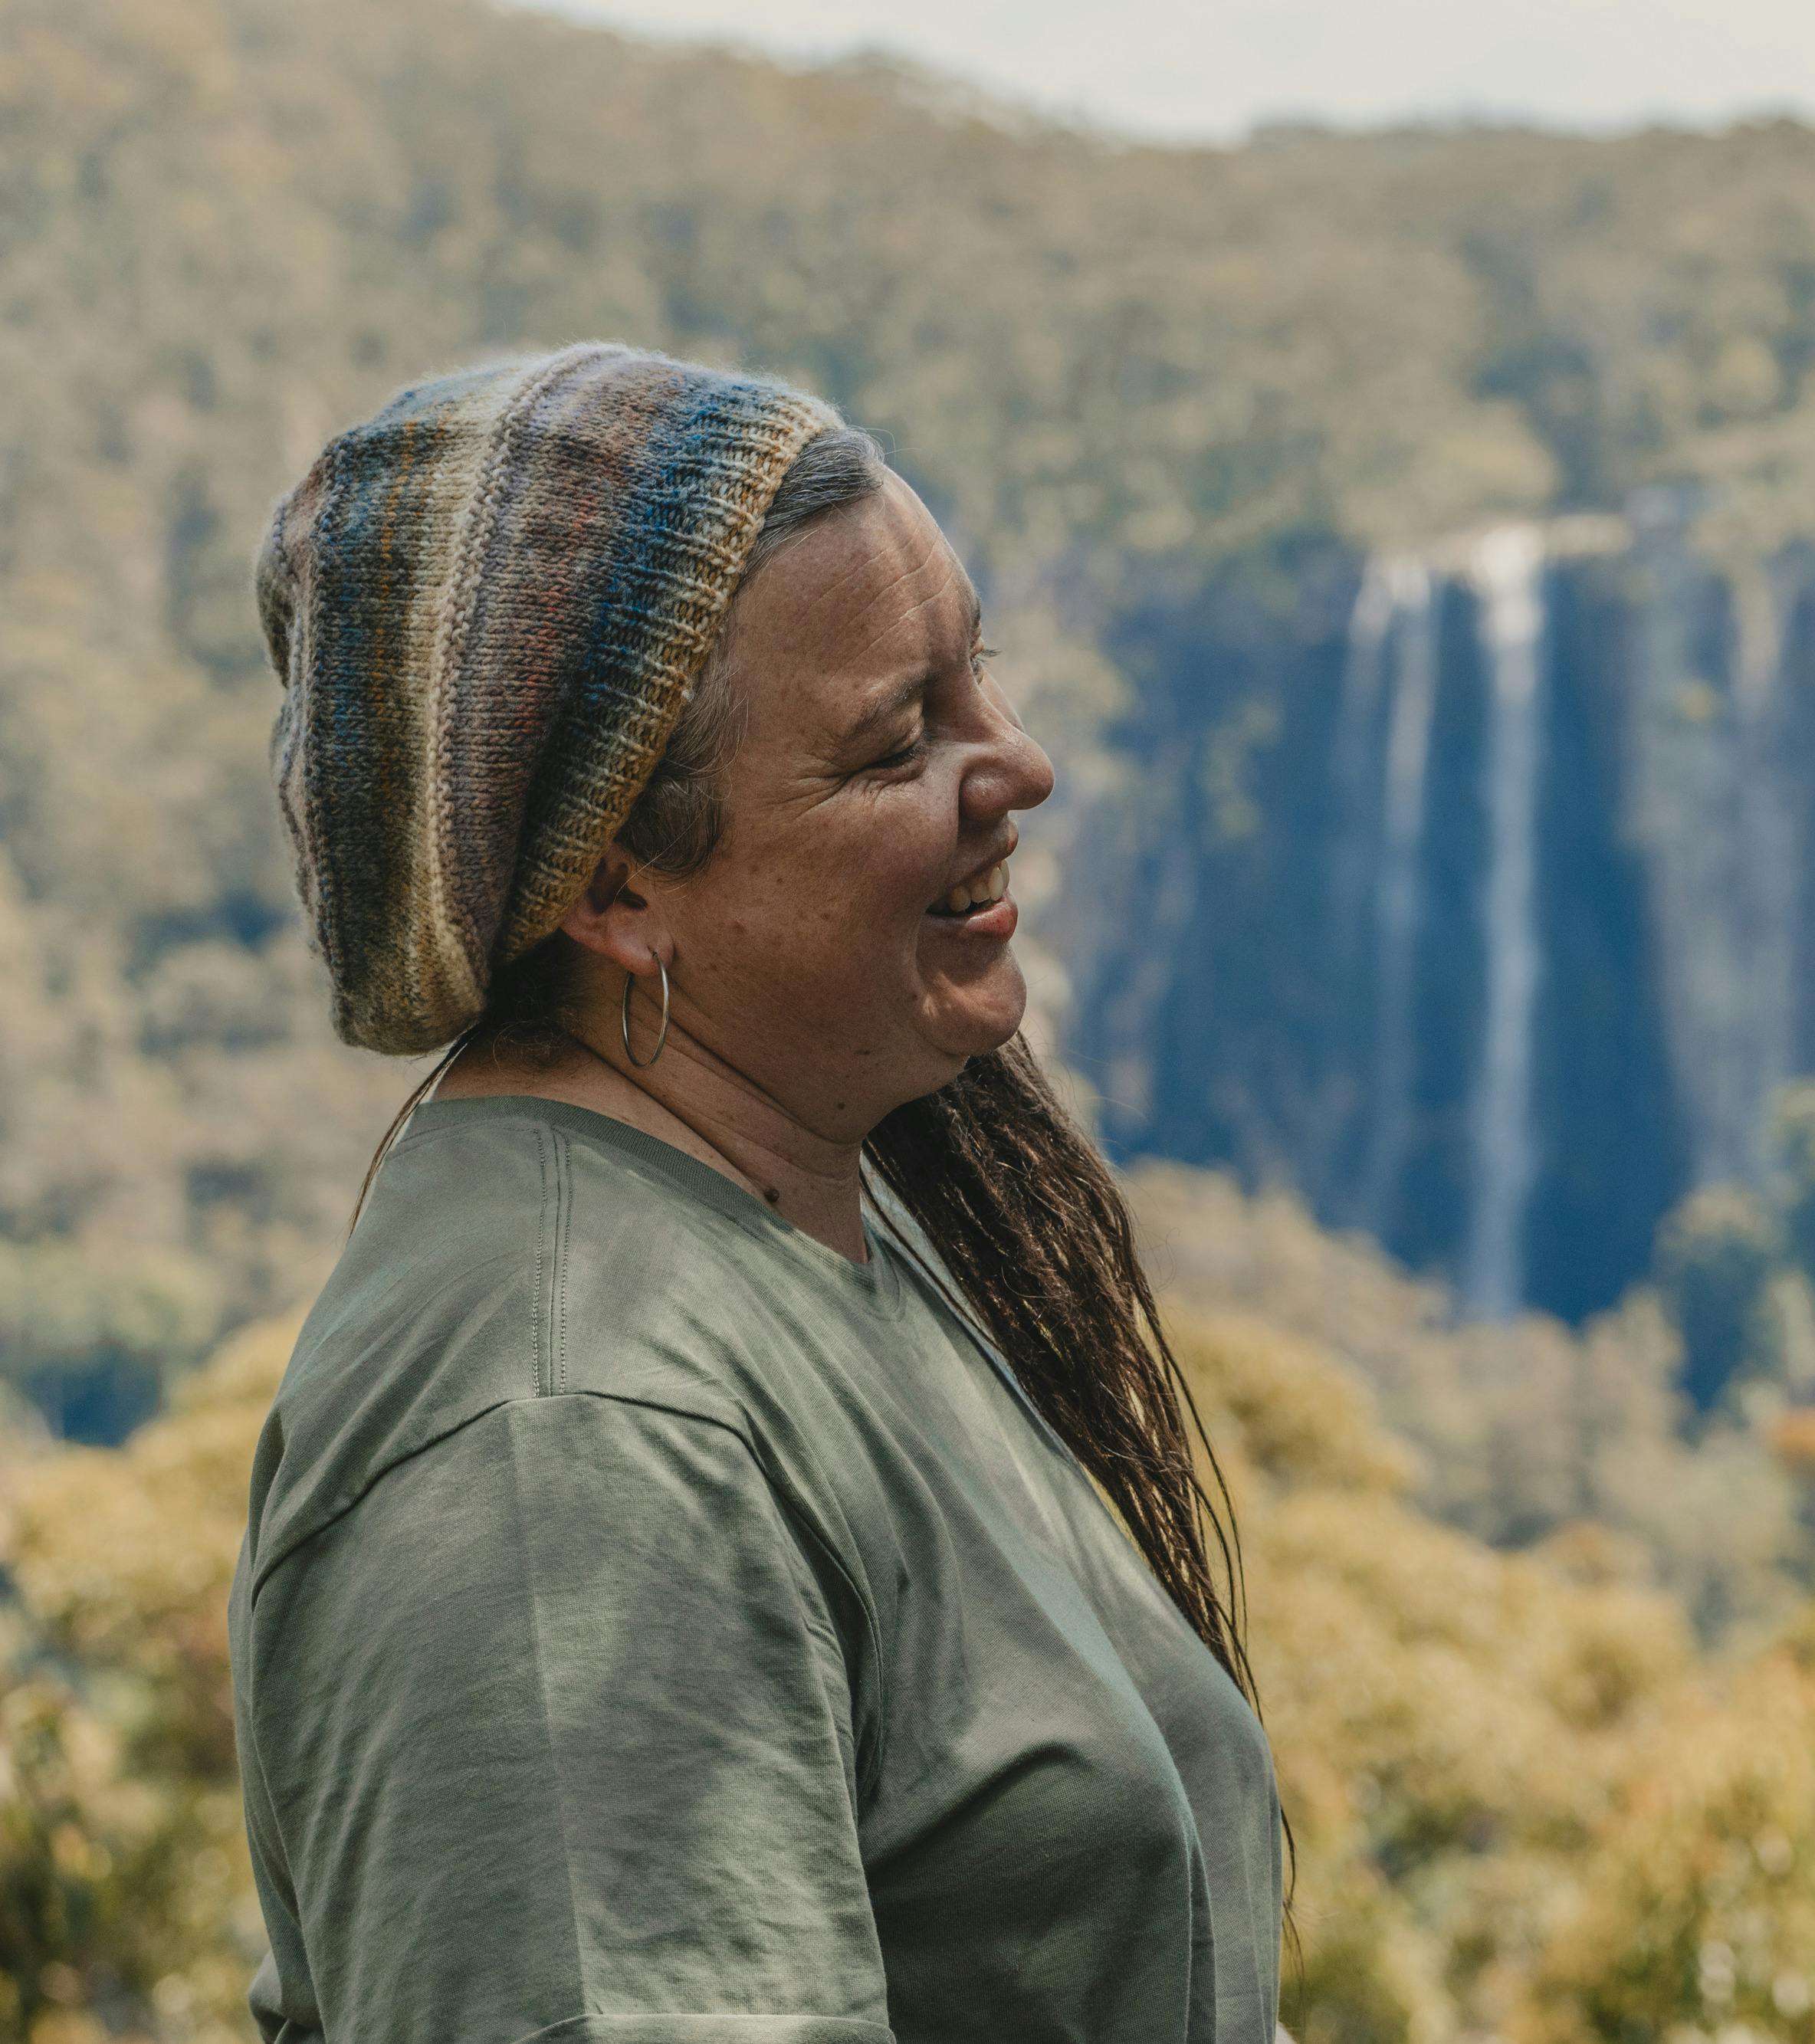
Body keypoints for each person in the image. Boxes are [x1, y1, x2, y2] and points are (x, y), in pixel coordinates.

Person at [229, 343, 1282, 2044]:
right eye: (897, 742)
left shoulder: (825, 1195)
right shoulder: (573, 1444)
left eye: (980, 677)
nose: (1019, 766)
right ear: (616, 888)